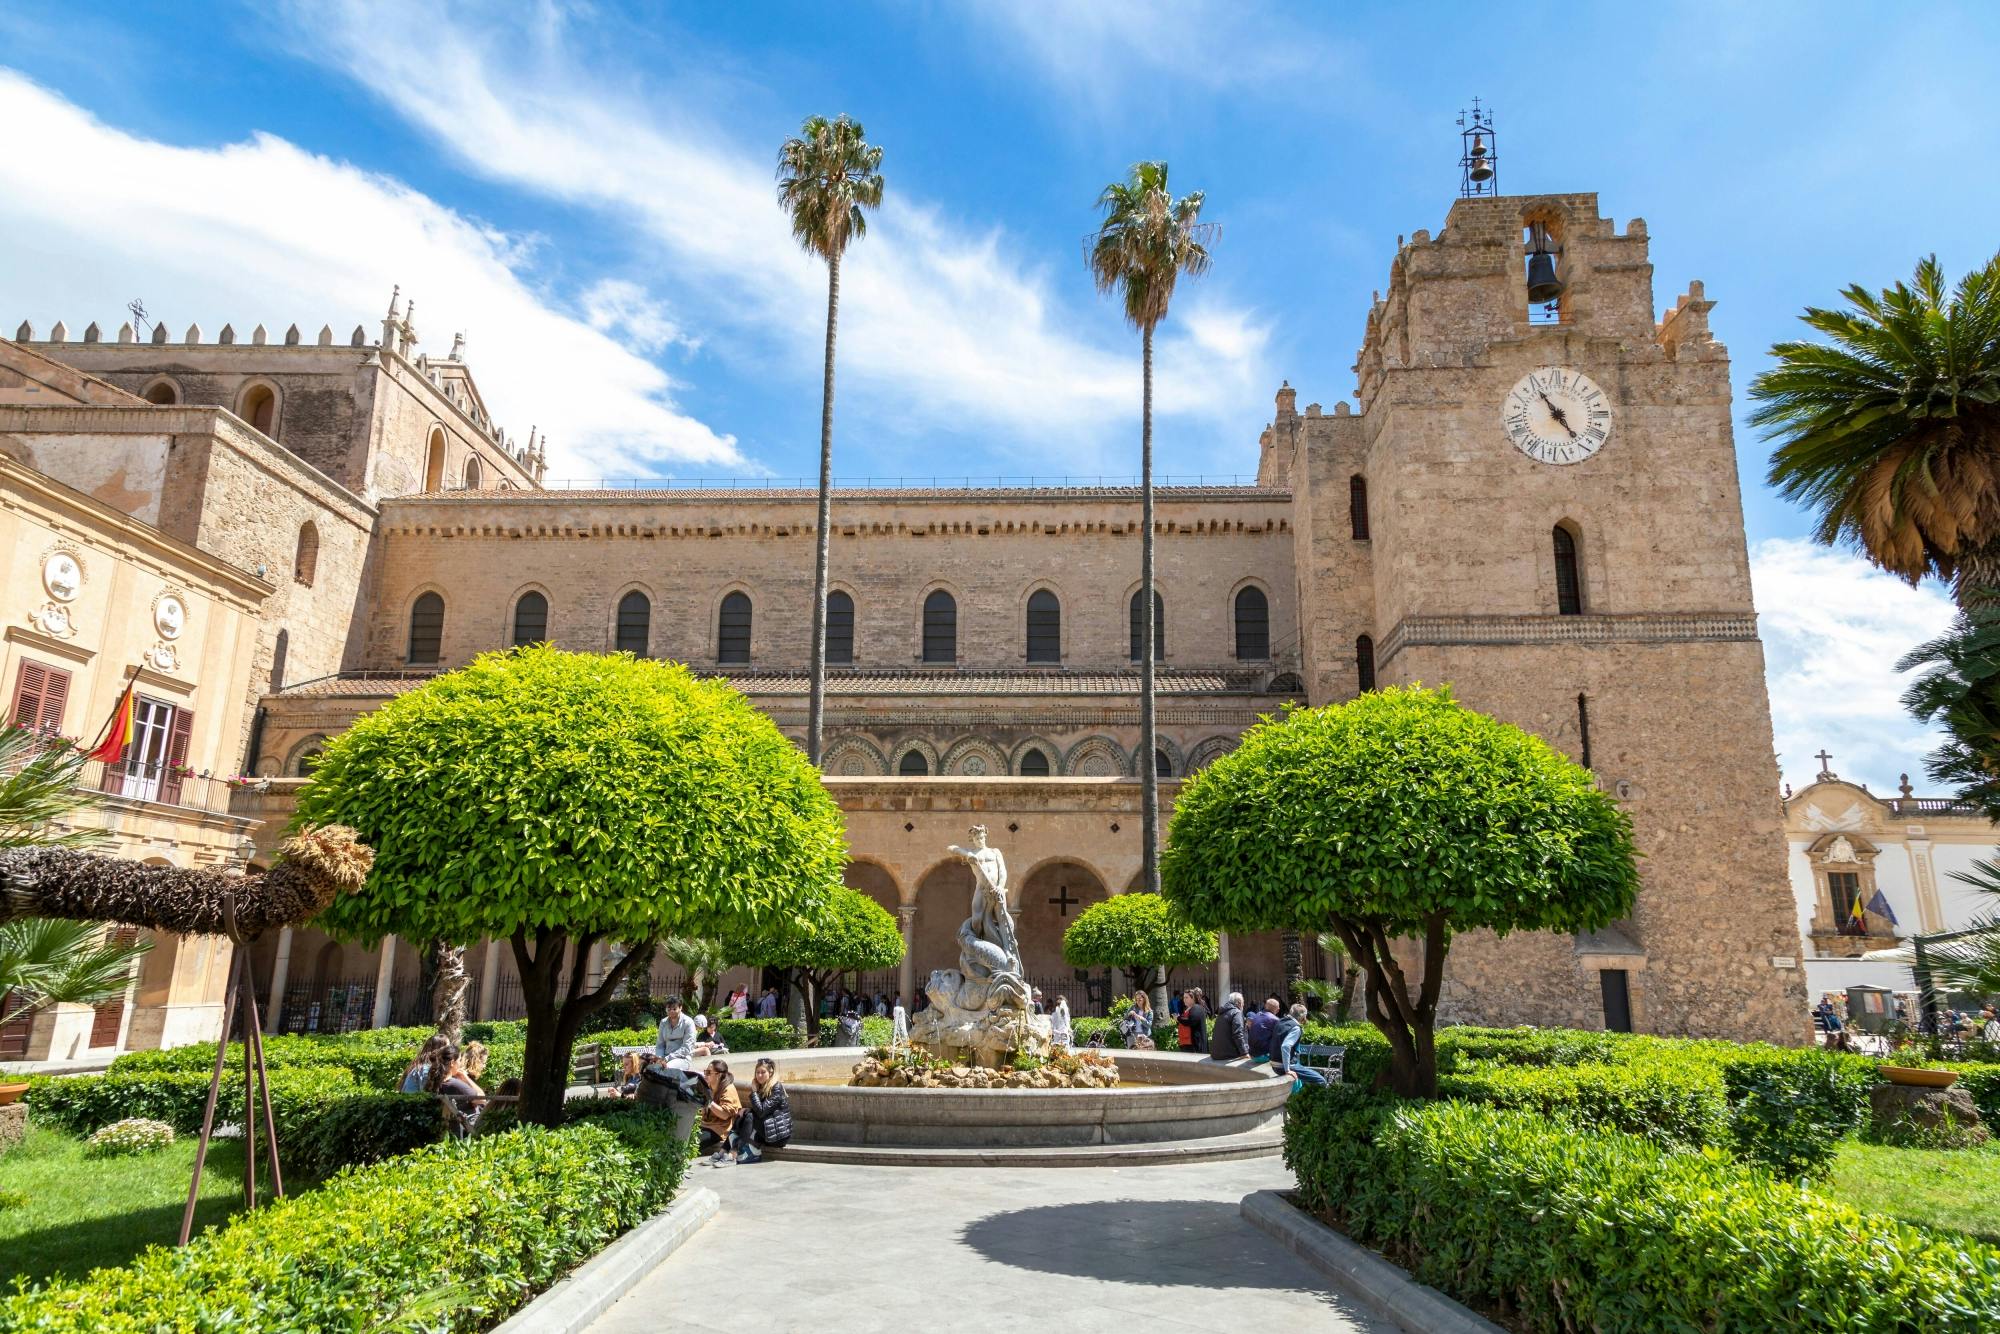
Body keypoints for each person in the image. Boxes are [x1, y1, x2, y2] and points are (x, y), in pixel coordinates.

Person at [739, 1057, 793, 1163]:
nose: (759, 1075)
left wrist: (754, 1092)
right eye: (757, 1072)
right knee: (741, 1116)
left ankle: (737, 1151)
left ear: (771, 1072)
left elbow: (761, 1111)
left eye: (763, 1072)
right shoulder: (762, 1087)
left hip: (778, 1137)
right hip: (768, 1131)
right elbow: (762, 1111)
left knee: (749, 1116)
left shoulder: (776, 1087)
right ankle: (726, 1151)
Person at [699, 1059, 744, 1165]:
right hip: (705, 1125)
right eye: (705, 1071)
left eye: (709, 1072)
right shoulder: (709, 1087)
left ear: (718, 1075)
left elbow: (724, 1115)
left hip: (719, 1129)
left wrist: (708, 1101)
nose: (705, 1074)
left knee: (693, 1143)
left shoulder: (728, 1088)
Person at [1273, 1002, 1327, 1087]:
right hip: (1285, 1066)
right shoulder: (1295, 1028)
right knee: (1321, 1080)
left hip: (1274, 1064)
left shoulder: (1279, 1022)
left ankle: (1295, 1094)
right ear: (1302, 1016)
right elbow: (1285, 1046)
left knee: (1299, 1082)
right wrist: (1287, 1070)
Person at [656, 997, 697, 1065]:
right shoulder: (663, 1022)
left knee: (666, 1068)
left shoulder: (688, 1022)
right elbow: (660, 1044)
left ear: (680, 1008)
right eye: (669, 1009)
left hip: (682, 1058)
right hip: (665, 1057)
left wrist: (667, 1059)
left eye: (674, 1009)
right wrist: (659, 1057)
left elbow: (686, 1048)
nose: (671, 1011)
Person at [1211, 991, 1249, 1061]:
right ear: (1239, 1002)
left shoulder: (1222, 1013)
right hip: (1228, 1054)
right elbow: (1238, 1033)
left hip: (1216, 1054)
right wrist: (1244, 1053)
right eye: (1243, 1002)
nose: (1243, 1004)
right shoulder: (1237, 1012)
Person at [1182, 989, 1210, 1055]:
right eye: (1184, 997)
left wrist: (1178, 1018)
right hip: (1187, 1042)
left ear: (1192, 998)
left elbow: (1190, 1022)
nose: (1184, 999)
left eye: (1186, 997)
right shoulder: (1190, 1008)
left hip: (1195, 1044)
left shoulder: (1196, 1008)